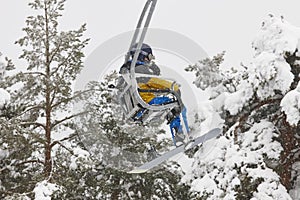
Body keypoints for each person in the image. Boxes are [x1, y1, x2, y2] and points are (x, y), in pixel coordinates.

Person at [118, 43, 189, 144]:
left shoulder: (126, 72)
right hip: (148, 101)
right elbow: (154, 82)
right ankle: (183, 136)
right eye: (149, 56)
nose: (150, 60)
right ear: (142, 55)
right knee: (178, 106)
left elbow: (120, 89)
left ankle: (174, 136)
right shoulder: (140, 70)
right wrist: (173, 87)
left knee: (169, 109)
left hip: (136, 107)